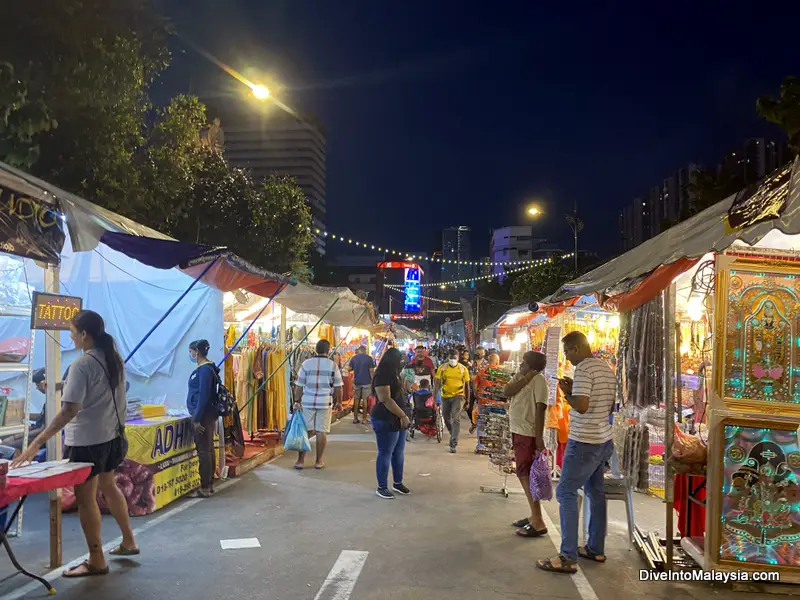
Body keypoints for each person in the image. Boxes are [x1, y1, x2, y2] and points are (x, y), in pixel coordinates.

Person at [12, 310, 138, 577]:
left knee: (86, 500)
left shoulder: (82, 365)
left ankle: (96, 559)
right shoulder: (113, 358)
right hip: (113, 437)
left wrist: (37, 443)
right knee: (110, 486)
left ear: (84, 334)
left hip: (87, 443)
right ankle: (128, 541)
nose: (69, 336)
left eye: (71, 331)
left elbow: (69, 410)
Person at [537, 331, 616, 574]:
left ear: (576, 348)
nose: (568, 358)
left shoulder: (583, 369)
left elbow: (582, 406)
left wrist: (567, 394)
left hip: (585, 440)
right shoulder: (605, 369)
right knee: (595, 492)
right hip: (603, 439)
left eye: (568, 352)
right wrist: (573, 390)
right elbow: (607, 404)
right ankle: (595, 548)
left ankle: (568, 556)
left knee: (566, 491)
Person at [503, 351, 549, 538]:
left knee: (527, 475)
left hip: (528, 433)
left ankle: (537, 520)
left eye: (523, 363)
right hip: (518, 431)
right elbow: (506, 392)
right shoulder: (521, 377)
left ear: (531, 366)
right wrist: (524, 377)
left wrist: (539, 438)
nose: (520, 365)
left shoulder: (539, 381)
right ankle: (533, 515)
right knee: (523, 473)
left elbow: (541, 409)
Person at [293, 339, 343, 470]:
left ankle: (300, 461)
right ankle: (319, 461)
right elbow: (338, 387)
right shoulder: (333, 365)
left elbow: (299, 385)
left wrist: (296, 400)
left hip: (307, 401)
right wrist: (339, 402)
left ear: (316, 349)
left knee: (306, 431)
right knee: (321, 431)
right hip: (325, 402)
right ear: (328, 350)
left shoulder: (306, 364)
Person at [371, 347, 411, 499]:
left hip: (398, 417)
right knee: (385, 452)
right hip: (385, 418)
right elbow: (385, 399)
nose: (402, 362)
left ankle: (397, 483)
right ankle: (381, 487)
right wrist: (402, 415)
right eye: (400, 359)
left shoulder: (394, 373)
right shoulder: (382, 375)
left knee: (398, 452)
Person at [187, 339, 219, 498]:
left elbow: (204, 396)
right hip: (206, 414)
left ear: (196, 352)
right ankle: (209, 484)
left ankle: (205, 486)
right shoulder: (206, 368)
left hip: (203, 416)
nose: (190, 355)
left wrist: (197, 418)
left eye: (191, 352)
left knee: (204, 451)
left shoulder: (205, 370)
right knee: (208, 449)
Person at [435, 349, 471, 454]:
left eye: (454, 358)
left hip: (458, 396)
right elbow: (437, 384)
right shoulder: (442, 368)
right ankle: (452, 433)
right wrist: (434, 396)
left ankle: (453, 443)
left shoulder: (463, 369)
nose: (452, 360)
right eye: (451, 358)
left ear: (458, 358)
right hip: (445, 396)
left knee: (456, 418)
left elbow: (467, 386)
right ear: (448, 358)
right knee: (446, 418)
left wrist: (467, 400)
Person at [470, 351, 501, 433]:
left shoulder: (481, 372)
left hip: (482, 400)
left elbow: (475, 385)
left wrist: (476, 394)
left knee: (481, 420)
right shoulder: (500, 373)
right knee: (495, 422)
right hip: (496, 402)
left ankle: (481, 442)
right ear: (497, 361)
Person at [348, 346, 375, 424]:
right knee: (365, 400)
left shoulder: (354, 358)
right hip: (366, 381)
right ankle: (364, 419)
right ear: (364, 350)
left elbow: (349, 369)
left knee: (356, 400)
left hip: (357, 382)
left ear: (359, 350)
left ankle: (355, 418)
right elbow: (371, 370)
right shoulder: (369, 358)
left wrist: (356, 368)